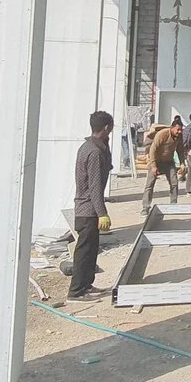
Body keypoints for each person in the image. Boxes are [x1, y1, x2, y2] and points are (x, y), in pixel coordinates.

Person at [68, 110, 114, 300]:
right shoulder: (94, 153)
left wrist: (106, 145)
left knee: (91, 250)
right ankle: (77, 291)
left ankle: (87, 285)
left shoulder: (89, 147)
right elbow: (95, 187)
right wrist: (102, 213)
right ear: (106, 128)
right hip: (88, 210)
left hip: (87, 208)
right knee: (84, 253)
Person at [146, 116, 185, 201]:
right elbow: (153, 150)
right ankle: (146, 207)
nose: (179, 132)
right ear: (172, 128)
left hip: (169, 162)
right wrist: (153, 166)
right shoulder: (162, 134)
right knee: (149, 185)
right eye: (178, 129)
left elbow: (180, 151)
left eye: (181, 130)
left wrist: (182, 163)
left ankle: (173, 205)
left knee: (174, 183)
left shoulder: (179, 136)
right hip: (156, 161)